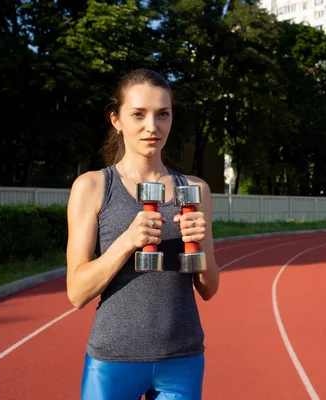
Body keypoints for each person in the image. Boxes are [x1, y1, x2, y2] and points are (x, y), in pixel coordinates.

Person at [65, 68, 220, 400]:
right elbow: (77, 292)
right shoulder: (92, 187)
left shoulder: (194, 189)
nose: (152, 126)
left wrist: (200, 243)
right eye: (138, 114)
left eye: (162, 114)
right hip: (113, 358)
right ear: (116, 120)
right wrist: (127, 241)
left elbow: (209, 288)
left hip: (183, 356)